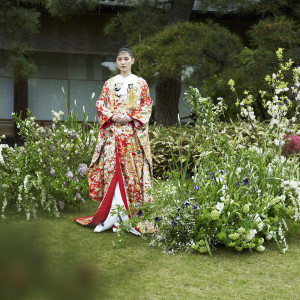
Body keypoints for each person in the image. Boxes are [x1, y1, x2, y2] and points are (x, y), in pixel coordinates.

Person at [74, 45, 153, 234]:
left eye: (126, 59)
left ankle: (129, 217)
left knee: (131, 174)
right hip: (113, 135)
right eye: (120, 59)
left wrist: (131, 116)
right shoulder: (110, 83)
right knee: (113, 172)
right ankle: (111, 217)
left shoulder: (141, 83)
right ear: (116, 62)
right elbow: (100, 103)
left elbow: (147, 105)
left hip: (132, 137)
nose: (123, 62)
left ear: (133, 60)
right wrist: (112, 115)